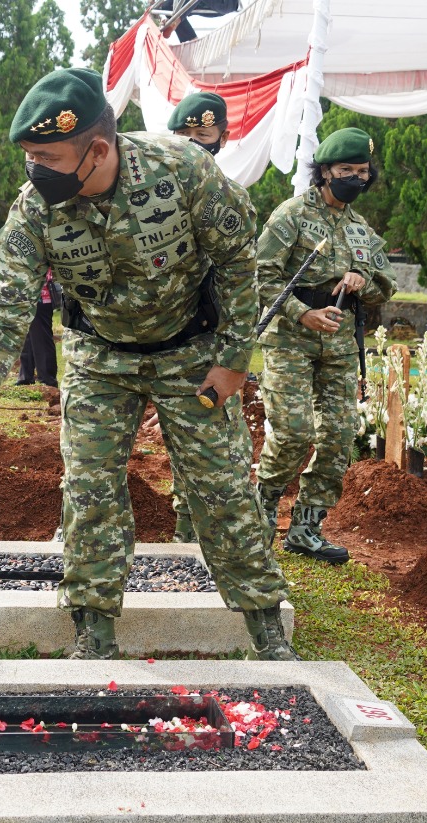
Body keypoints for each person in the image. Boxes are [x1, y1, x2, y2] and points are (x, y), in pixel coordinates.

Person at [0, 68, 297, 661]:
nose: (34, 170)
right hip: (99, 357)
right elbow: (4, 312)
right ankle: (93, 633)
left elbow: (237, 262)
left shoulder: (183, 171)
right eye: (28, 156)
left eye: (47, 156)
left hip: (189, 353)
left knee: (222, 488)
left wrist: (232, 363)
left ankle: (267, 632)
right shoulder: (35, 210)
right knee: (90, 491)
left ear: (98, 149)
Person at [255, 127, 397, 564]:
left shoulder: (362, 231)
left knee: (338, 436)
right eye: (346, 170)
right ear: (325, 172)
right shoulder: (292, 215)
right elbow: (261, 274)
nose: (356, 177)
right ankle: (257, 521)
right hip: (291, 339)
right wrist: (303, 313)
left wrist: (364, 280)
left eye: (362, 171)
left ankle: (305, 530)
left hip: (338, 345)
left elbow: (384, 288)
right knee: (294, 432)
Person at [164, 91, 242, 544]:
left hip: (207, 340)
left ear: (222, 139)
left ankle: (190, 536)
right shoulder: (150, 196)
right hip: (152, 337)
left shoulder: (229, 199)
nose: (193, 144)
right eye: (184, 135)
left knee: (207, 442)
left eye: (203, 136)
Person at [15, 268, 59, 386]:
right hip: (28, 297)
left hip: (41, 297)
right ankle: (25, 377)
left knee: (42, 338)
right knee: (27, 338)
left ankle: (47, 379)